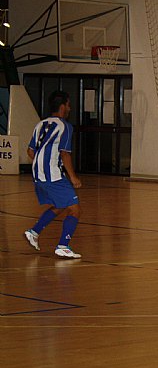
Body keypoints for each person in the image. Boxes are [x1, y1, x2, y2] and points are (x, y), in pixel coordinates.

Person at [23, 90, 82, 258]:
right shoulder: (65, 126)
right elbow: (65, 154)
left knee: (61, 205)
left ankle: (34, 232)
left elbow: (30, 151)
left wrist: (41, 165)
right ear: (63, 106)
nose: (70, 109)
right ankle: (63, 245)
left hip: (37, 175)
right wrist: (73, 177)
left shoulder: (40, 124)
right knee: (75, 209)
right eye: (69, 105)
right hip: (53, 175)